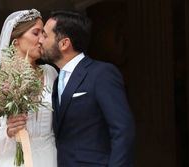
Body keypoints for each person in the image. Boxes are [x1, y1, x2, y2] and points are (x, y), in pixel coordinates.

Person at [40, 10, 135, 167]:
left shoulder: (101, 74)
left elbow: (123, 130)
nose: (40, 40)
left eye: (45, 35)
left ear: (64, 43)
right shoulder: (57, 80)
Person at [0, 9, 58, 167]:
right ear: (15, 40)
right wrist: (7, 131)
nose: (42, 39)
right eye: (36, 33)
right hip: (11, 161)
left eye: (43, 34)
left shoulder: (51, 74)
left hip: (49, 159)